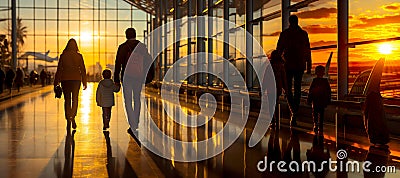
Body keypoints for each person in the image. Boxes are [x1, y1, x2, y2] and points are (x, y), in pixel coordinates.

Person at [114, 28, 151, 146]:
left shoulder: (123, 47)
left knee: (128, 101)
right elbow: (148, 62)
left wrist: (116, 80)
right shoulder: (142, 47)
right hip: (138, 77)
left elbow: (118, 64)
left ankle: (132, 124)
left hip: (127, 77)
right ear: (135, 35)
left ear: (126, 35)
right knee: (137, 99)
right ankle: (136, 122)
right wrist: (147, 76)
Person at [276, 15, 312, 126]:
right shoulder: (303, 34)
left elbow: (279, 49)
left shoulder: (285, 34)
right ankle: (294, 111)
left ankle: (293, 110)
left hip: (288, 65)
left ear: (289, 22)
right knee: (297, 89)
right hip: (299, 65)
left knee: (288, 89)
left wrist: (278, 63)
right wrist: (309, 65)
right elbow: (307, 50)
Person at [54, 38, 87, 130]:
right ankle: (73, 116)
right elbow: (83, 69)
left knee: (67, 100)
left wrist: (56, 82)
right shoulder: (79, 56)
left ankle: (68, 118)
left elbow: (59, 69)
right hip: (76, 80)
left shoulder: (63, 56)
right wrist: (84, 82)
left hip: (65, 80)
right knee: (75, 99)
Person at [307, 65, 331, 133]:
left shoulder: (314, 81)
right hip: (322, 100)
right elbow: (328, 91)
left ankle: (316, 124)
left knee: (315, 113)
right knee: (321, 113)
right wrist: (328, 100)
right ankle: (320, 125)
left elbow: (311, 91)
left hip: (315, 100)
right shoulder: (325, 81)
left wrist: (309, 99)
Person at [269, 50, 287, 129]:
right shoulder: (281, 66)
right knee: (276, 102)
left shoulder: (269, 65)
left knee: (271, 104)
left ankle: (272, 120)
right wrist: (285, 89)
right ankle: (277, 120)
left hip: (270, 87)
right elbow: (284, 78)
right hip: (278, 87)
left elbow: (265, 78)